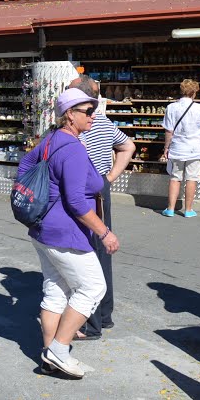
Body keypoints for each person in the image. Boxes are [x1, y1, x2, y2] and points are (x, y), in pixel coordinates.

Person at [19, 88, 119, 379]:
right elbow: (76, 201)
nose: (93, 116)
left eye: (93, 110)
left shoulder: (50, 140)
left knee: (55, 291)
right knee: (93, 288)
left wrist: (45, 195)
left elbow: (24, 166)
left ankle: (50, 354)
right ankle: (59, 351)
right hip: (65, 232)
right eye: (87, 111)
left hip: (42, 228)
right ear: (69, 114)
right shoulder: (73, 148)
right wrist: (105, 232)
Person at [67, 75, 134, 341]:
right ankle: (105, 315)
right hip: (100, 188)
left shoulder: (78, 126)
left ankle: (90, 322)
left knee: (87, 254)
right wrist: (109, 177)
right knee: (102, 251)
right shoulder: (104, 122)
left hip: (84, 190)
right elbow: (128, 146)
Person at [159, 79, 200, 217]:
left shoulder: (171, 107)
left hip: (177, 148)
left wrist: (166, 148)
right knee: (191, 178)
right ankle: (188, 210)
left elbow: (168, 131)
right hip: (195, 149)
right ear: (194, 92)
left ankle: (170, 209)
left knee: (175, 178)